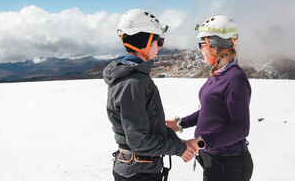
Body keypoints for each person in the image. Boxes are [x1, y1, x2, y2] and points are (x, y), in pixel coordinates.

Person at [103, 9, 201, 181]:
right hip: (138, 174)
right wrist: (179, 149)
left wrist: (180, 144)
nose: (161, 46)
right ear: (145, 44)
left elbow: (150, 127)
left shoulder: (136, 78)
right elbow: (139, 141)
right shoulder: (133, 83)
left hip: (141, 169)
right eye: (159, 41)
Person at [166, 15, 254, 181]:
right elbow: (209, 112)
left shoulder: (235, 79)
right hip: (215, 160)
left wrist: (200, 142)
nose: (199, 50)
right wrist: (179, 123)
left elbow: (241, 128)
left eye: (201, 45)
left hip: (230, 164)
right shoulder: (217, 73)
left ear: (214, 47)